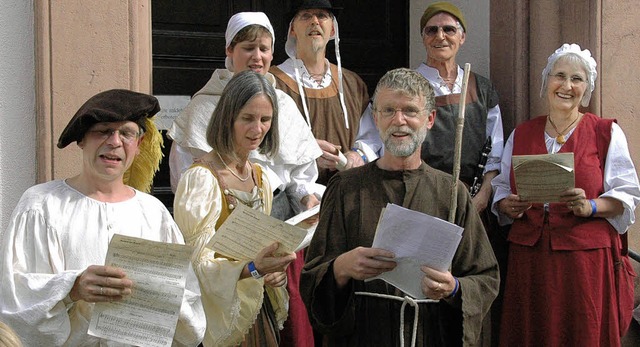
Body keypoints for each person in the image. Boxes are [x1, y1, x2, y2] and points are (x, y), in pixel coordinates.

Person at [300, 68, 500, 346]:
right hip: (364, 336)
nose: (399, 121)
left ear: (429, 119)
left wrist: (453, 288)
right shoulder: (345, 188)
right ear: (376, 118)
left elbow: (485, 277)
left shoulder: (452, 192)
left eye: (410, 111)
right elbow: (313, 276)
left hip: (429, 335)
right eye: (389, 110)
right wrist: (342, 267)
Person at [0, 89, 205, 346]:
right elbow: (14, 297)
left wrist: (159, 294)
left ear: (139, 145)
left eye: (127, 133)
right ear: (82, 140)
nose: (115, 142)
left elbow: (188, 301)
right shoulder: (42, 205)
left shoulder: (154, 213)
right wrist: (72, 288)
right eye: (103, 130)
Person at [492, 43, 640, 346]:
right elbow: (502, 189)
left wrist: (590, 206)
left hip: (584, 261)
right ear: (547, 81)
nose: (567, 86)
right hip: (531, 259)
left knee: (581, 332)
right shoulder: (522, 133)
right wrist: (508, 205)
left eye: (577, 79)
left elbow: (626, 194)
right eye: (560, 76)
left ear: (586, 90)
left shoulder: (604, 132)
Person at [173, 70, 297, 347]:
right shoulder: (201, 179)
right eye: (248, 118)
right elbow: (196, 264)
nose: (258, 129)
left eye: (265, 119)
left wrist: (272, 270)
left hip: (255, 311)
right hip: (219, 317)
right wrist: (252, 268)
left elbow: (261, 246)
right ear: (228, 117)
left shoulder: (260, 176)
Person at [168, 11, 322, 221]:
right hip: (223, 212)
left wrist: (307, 197)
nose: (257, 57)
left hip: (278, 212)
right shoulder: (203, 106)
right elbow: (185, 176)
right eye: (248, 48)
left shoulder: (283, 103)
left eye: (263, 49)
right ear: (230, 50)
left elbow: (299, 173)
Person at [270, 0, 370, 185]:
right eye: (306, 16)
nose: (314, 21)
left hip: (347, 190)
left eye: (322, 16)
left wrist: (357, 155)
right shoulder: (272, 82)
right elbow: (261, 139)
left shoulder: (352, 84)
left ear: (332, 30)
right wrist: (306, 151)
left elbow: (371, 134)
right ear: (292, 29)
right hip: (294, 197)